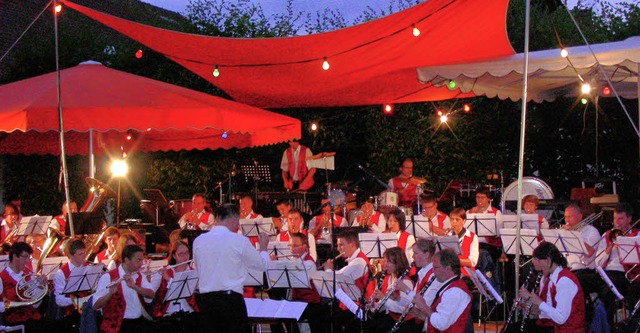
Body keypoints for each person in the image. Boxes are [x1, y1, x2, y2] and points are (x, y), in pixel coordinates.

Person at [193, 204, 270, 333]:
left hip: (206, 302)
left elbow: (198, 268)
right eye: (238, 221)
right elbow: (261, 265)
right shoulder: (239, 240)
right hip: (230, 301)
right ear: (234, 219)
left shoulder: (199, 240)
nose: (238, 225)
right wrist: (263, 248)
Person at [518, 242, 587, 333]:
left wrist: (539, 302)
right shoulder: (552, 277)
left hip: (570, 329)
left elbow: (561, 318)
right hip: (557, 328)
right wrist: (536, 310)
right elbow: (551, 310)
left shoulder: (564, 281)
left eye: (537, 259)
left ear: (548, 260)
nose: (533, 262)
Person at [93, 244, 158, 333]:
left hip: (138, 323)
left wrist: (135, 287)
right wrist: (110, 294)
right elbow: (96, 305)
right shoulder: (108, 277)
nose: (141, 263)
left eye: (141, 260)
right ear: (126, 260)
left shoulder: (140, 276)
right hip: (117, 326)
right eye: (138, 260)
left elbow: (151, 294)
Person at [594, 203, 639, 329]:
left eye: (620, 219)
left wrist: (624, 246)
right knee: (580, 281)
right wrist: (608, 250)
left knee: (608, 292)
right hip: (605, 274)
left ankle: (610, 327)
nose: (616, 223)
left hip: (623, 274)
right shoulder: (607, 235)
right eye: (614, 218)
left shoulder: (637, 235)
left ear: (629, 219)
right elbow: (596, 263)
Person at [410, 248, 472, 333]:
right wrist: (422, 316)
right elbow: (443, 319)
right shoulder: (451, 286)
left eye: (435, 267)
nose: (433, 271)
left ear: (448, 268)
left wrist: (424, 306)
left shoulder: (455, 291)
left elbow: (441, 324)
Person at [386, 239, 442, 332]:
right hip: (419, 321)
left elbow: (423, 305)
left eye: (415, 253)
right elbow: (411, 303)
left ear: (427, 254)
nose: (412, 256)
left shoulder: (433, 275)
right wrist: (397, 298)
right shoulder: (422, 273)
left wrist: (406, 290)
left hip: (428, 324)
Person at [322, 231, 370, 332]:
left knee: (325, 318)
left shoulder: (359, 262)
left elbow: (337, 279)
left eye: (341, 245)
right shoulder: (353, 259)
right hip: (351, 303)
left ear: (352, 244)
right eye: (337, 245)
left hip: (357, 306)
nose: (338, 249)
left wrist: (328, 269)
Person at [153, 241, 199, 333]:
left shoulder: (194, 272)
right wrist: (144, 276)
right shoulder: (165, 270)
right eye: (181, 254)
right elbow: (150, 293)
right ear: (174, 256)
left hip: (189, 312)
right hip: (168, 314)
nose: (185, 257)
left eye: (187, 253)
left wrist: (169, 279)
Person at [368, 247, 414, 333]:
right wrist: (373, 306)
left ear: (398, 263)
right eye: (384, 261)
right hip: (390, 317)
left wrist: (383, 298)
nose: (384, 265)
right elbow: (386, 307)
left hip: (403, 323)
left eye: (388, 262)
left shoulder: (405, 282)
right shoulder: (387, 278)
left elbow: (403, 308)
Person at [0, 242, 44, 329]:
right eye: (25, 257)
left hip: (32, 318)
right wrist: (13, 304)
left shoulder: (29, 275)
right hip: (12, 320)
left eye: (29, 257)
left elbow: (35, 305)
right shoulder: (1, 278)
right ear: (14, 256)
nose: (27, 261)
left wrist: (40, 286)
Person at [53, 239, 90, 331]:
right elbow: (59, 300)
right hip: (71, 313)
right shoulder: (61, 273)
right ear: (70, 256)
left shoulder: (88, 268)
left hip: (87, 309)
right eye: (80, 254)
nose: (84, 256)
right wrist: (77, 301)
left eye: (84, 253)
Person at [449, 208, 479, 275]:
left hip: (466, 273)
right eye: (452, 219)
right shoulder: (447, 236)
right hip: (450, 273)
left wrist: (455, 261)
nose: (454, 222)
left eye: (457, 219)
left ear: (463, 221)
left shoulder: (472, 237)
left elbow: (473, 262)